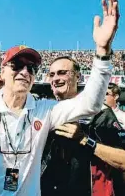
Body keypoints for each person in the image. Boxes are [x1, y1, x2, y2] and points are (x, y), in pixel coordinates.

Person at [0, 0, 119, 196]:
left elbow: (90, 104)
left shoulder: (43, 109)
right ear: (3, 72)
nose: (25, 72)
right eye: (17, 66)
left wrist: (102, 51)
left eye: (31, 68)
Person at [41, 56, 125, 196]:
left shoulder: (100, 112)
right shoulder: (42, 112)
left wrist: (85, 140)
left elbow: (122, 159)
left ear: (78, 77)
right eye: (52, 74)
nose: (56, 78)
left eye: (62, 72)